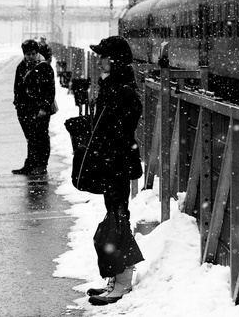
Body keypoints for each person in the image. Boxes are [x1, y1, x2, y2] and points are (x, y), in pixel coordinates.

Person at [85, 36, 144, 306]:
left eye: (103, 56)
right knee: (115, 213)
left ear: (115, 60)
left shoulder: (122, 91)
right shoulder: (113, 86)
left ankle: (122, 281)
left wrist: (105, 147)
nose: (99, 60)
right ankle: (117, 277)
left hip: (117, 163)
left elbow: (121, 129)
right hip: (112, 162)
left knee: (119, 216)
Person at [12, 39, 56, 176]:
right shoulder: (21, 67)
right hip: (25, 109)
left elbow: (50, 91)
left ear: (37, 53)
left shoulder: (44, 67)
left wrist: (43, 108)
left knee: (41, 137)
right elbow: (17, 88)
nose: (30, 56)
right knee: (30, 138)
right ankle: (30, 164)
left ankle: (41, 165)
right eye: (28, 54)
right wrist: (18, 105)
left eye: (33, 53)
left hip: (40, 110)